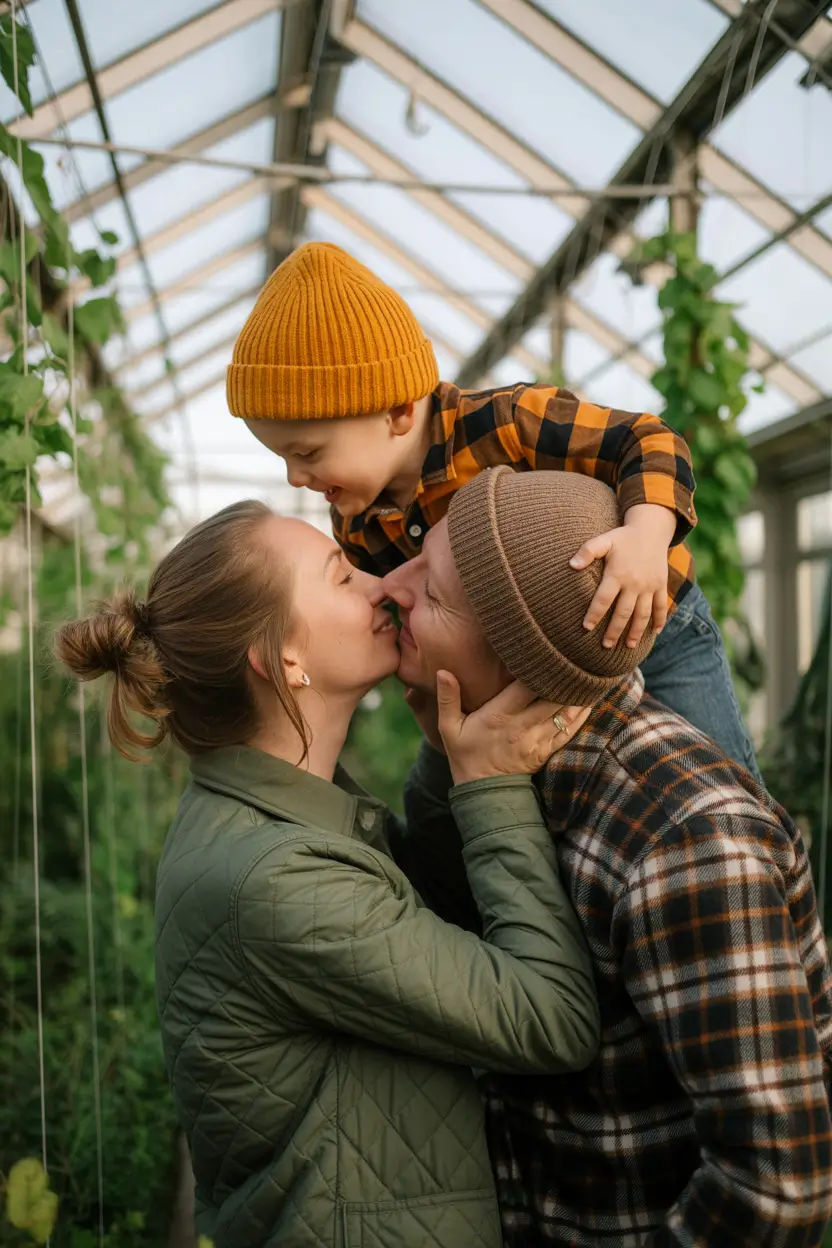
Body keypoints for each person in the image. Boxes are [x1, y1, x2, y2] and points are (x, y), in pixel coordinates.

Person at [55, 498, 601, 1248]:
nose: (379, 586)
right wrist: (492, 785)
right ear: (283, 659)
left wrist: (451, 754)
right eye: (340, 577)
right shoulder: (275, 879)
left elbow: (427, 910)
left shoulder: (272, 812)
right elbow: (553, 1019)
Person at [382, 466, 832, 1247]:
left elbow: (778, 1189)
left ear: (522, 662)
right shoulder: (504, 762)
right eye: (417, 560)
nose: (393, 585)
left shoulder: (683, 836)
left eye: (435, 592)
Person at [225, 240, 760, 779]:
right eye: (282, 457)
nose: (294, 477)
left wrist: (645, 539)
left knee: (718, 778)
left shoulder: (505, 423)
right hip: (534, 666)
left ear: (397, 413)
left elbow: (647, 440)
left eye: (308, 453)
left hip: (654, 621)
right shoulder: (355, 522)